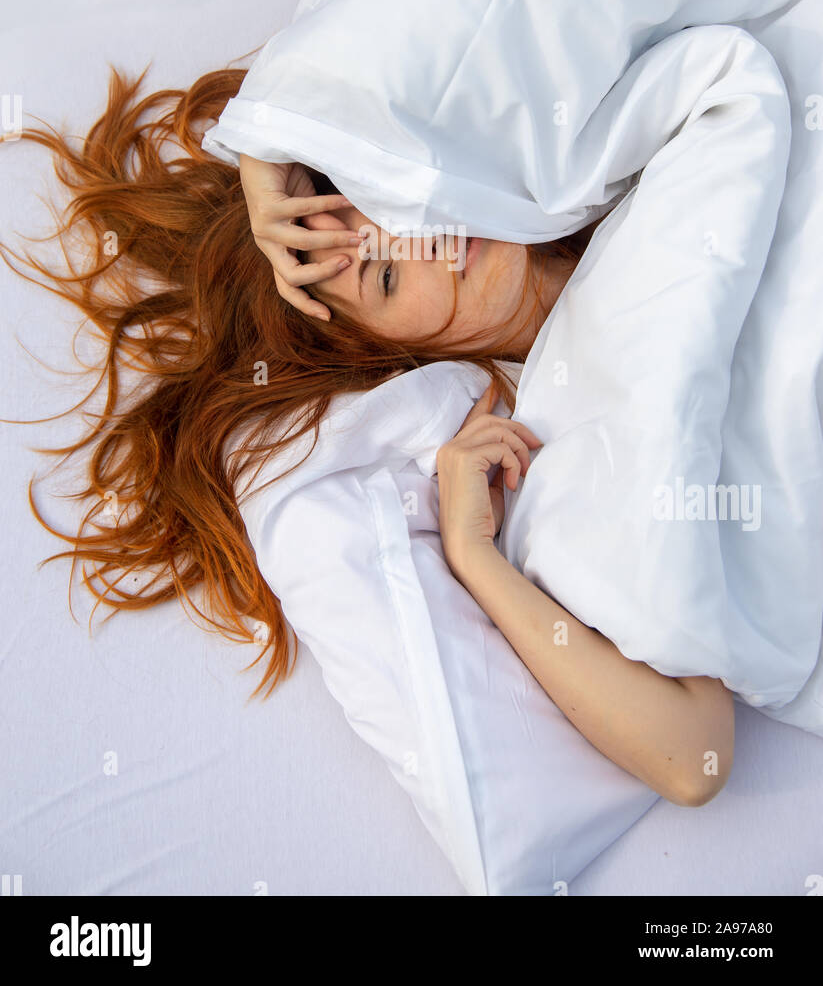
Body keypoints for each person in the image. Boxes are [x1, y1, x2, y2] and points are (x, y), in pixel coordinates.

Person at [4, 63, 733, 809]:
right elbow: (692, 759)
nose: (427, 245)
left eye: (389, 205)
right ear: (393, 350)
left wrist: (266, 155)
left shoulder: (597, 129)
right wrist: (474, 559)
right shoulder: (554, 437)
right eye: (384, 275)